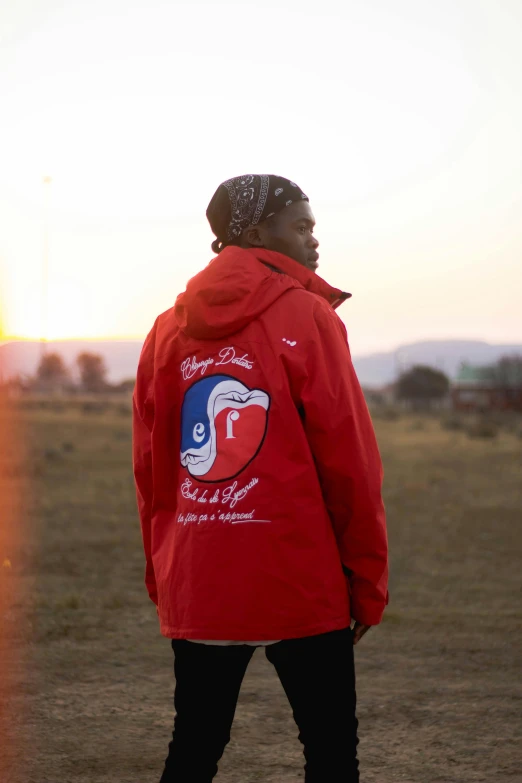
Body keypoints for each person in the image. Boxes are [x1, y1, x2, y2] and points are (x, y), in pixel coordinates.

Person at [133, 174, 389, 782]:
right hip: (297, 574)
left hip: (201, 575)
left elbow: (153, 467)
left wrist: (164, 572)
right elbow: (348, 459)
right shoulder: (306, 314)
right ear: (253, 234)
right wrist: (367, 579)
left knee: (193, 748)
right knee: (330, 752)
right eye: (300, 226)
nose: (314, 240)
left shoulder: (167, 329)